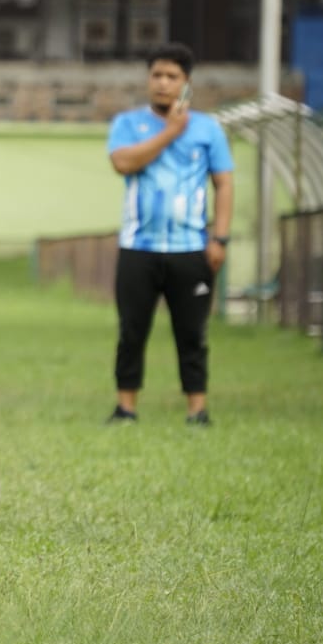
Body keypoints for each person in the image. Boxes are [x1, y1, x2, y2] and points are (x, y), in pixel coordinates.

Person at [106, 42, 234, 426]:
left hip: (191, 249)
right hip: (138, 248)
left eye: (172, 76)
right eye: (157, 75)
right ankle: (126, 408)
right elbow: (122, 162)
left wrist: (220, 239)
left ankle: (197, 410)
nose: (163, 83)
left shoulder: (209, 129)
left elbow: (224, 184)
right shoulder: (127, 124)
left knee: (192, 333)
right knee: (132, 331)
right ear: (148, 79)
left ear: (186, 83)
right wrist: (171, 132)